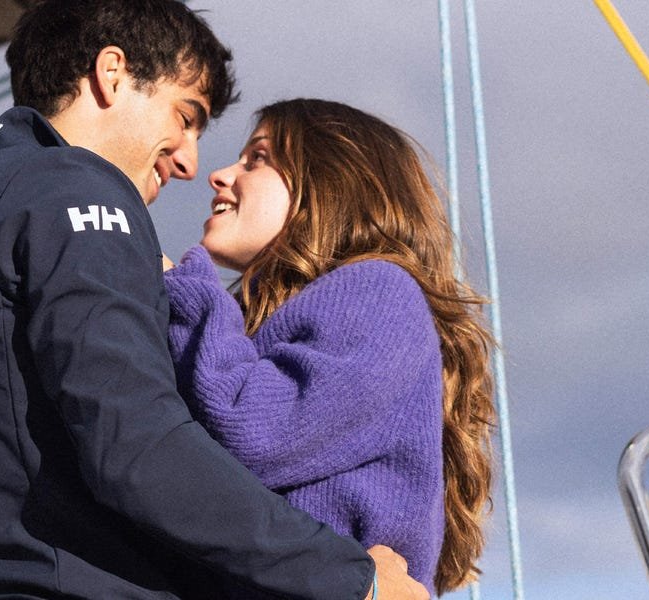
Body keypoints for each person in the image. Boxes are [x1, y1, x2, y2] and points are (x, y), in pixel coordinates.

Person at [0, 1, 430, 599]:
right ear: (112, 73)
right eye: (186, 115)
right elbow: (139, 446)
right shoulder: (80, 190)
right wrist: (355, 581)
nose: (193, 164)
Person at [164, 99, 497, 596]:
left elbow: (253, 433)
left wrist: (183, 291)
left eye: (257, 159)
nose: (220, 175)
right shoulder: (260, 324)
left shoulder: (379, 291)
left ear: (330, 183)